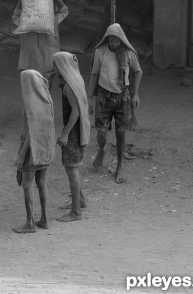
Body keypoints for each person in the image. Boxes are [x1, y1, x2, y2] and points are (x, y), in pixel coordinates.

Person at [88, 23, 143, 184]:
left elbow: (138, 71)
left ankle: (119, 167)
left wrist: (135, 94)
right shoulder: (100, 52)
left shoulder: (128, 53)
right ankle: (101, 150)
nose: (113, 44)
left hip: (123, 96)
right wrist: (91, 98)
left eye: (116, 41)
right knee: (101, 133)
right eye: (111, 40)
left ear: (121, 40)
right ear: (107, 39)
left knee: (121, 134)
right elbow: (94, 74)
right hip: (103, 96)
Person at [13, 69, 57, 233]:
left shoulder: (32, 104)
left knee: (27, 185)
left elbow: (32, 134)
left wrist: (21, 156)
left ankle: (30, 223)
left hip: (32, 150)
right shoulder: (45, 100)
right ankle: (44, 218)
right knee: (41, 182)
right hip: (44, 148)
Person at [53, 51, 90, 222]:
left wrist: (65, 134)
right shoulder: (76, 79)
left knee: (71, 169)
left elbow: (75, 112)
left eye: (56, 65)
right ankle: (80, 201)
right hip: (79, 130)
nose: (54, 68)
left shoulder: (69, 86)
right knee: (72, 167)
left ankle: (76, 212)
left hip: (73, 133)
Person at [14, 0, 68, 84]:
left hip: (31, 68)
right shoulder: (52, 21)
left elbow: (16, 15)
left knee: (35, 95)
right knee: (45, 95)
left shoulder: (25, 22)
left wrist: (21, 0)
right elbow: (64, 10)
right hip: (46, 68)